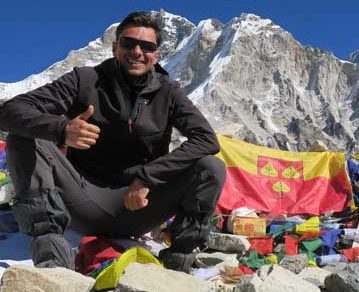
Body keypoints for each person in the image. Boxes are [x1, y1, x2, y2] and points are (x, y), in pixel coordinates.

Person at [0, 12, 225, 272]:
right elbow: (10, 111)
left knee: (211, 167)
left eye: (148, 47)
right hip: (83, 199)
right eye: (129, 44)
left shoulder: (168, 92)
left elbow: (206, 139)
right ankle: (53, 264)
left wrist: (147, 177)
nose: (137, 52)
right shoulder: (84, 80)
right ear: (115, 47)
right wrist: (62, 129)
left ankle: (178, 264)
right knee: (23, 137)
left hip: (140, 206)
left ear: (156, 55)